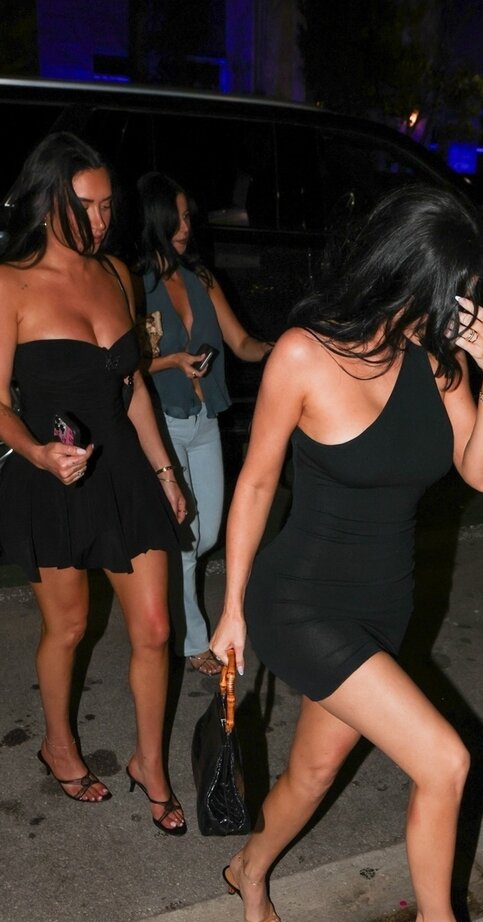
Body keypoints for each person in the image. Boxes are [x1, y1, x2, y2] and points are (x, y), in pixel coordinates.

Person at [210, 185, 483, 922]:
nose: (463, 313)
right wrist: (232, 607)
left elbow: (481, 471)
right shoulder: (303, 354)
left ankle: (249, 866)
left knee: (312, 774)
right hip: (301, 602)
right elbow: (257, 483)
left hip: (384, 604)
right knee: (446, 760)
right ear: (412, 276)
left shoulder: (440, 361)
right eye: (454, 294)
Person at [0, 133, 188, 833]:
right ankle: (58, 745)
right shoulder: (9, 283)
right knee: (70, 625)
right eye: (85, 206)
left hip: (125, 469)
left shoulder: (115, 273)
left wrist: (165, 470)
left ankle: (150, 764)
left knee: (156, 627)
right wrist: (37, 452)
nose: (101, 220)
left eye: (108, 206)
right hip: (51, 474)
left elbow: (132, 385)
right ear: (48, 201)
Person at [136, 173, 272, 677]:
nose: (185, 227)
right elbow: (125, 363)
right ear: (153, 220)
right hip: (163, 422)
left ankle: (162, 603)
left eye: (187, 217)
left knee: (206, 530)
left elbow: (241, 343)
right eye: (175, 218)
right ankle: (191, 638)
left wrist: (281, 349)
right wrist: (172, 361)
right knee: (186, 536)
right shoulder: (134, 285)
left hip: (204, 419)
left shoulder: (202, 279)